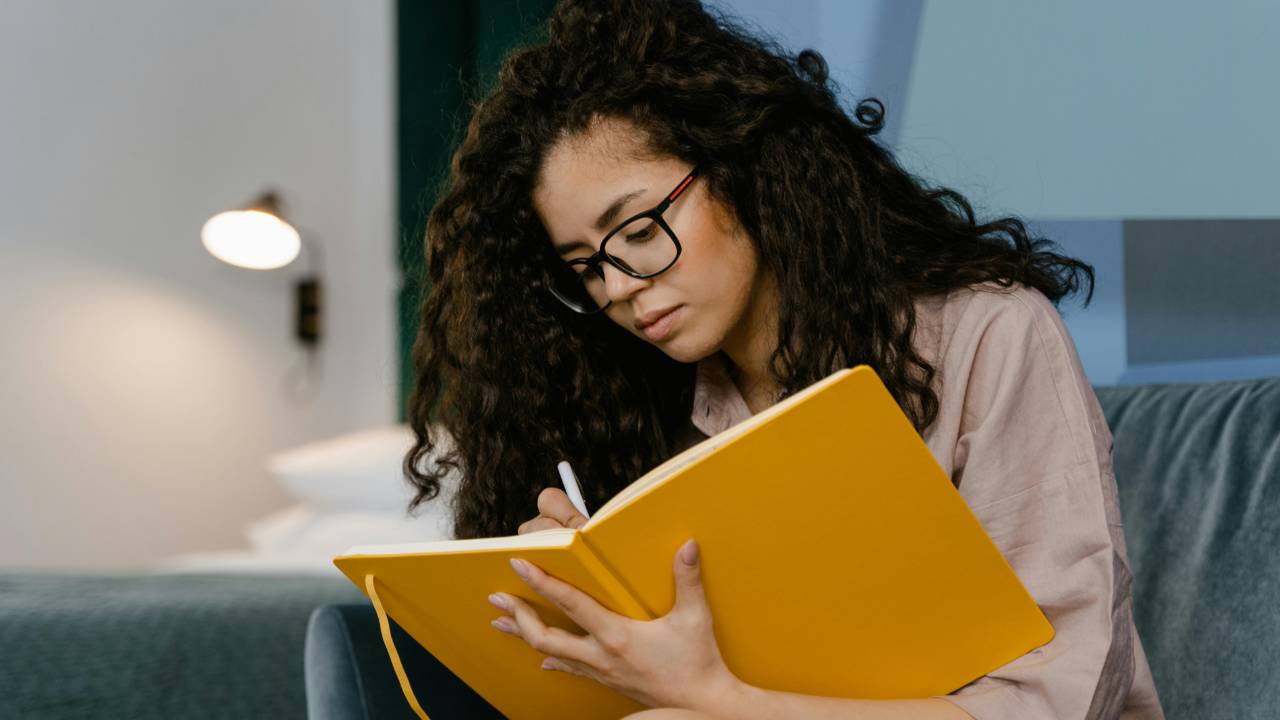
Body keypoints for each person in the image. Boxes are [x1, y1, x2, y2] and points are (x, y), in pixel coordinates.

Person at [401, 0, 1165, 717]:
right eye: (586, 269)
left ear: (743, 168)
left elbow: (1062, 698)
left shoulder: (988, 337)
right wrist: (574, 608)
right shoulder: (642, 403)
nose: (623, 289)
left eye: (637, 232)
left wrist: (716, 697)